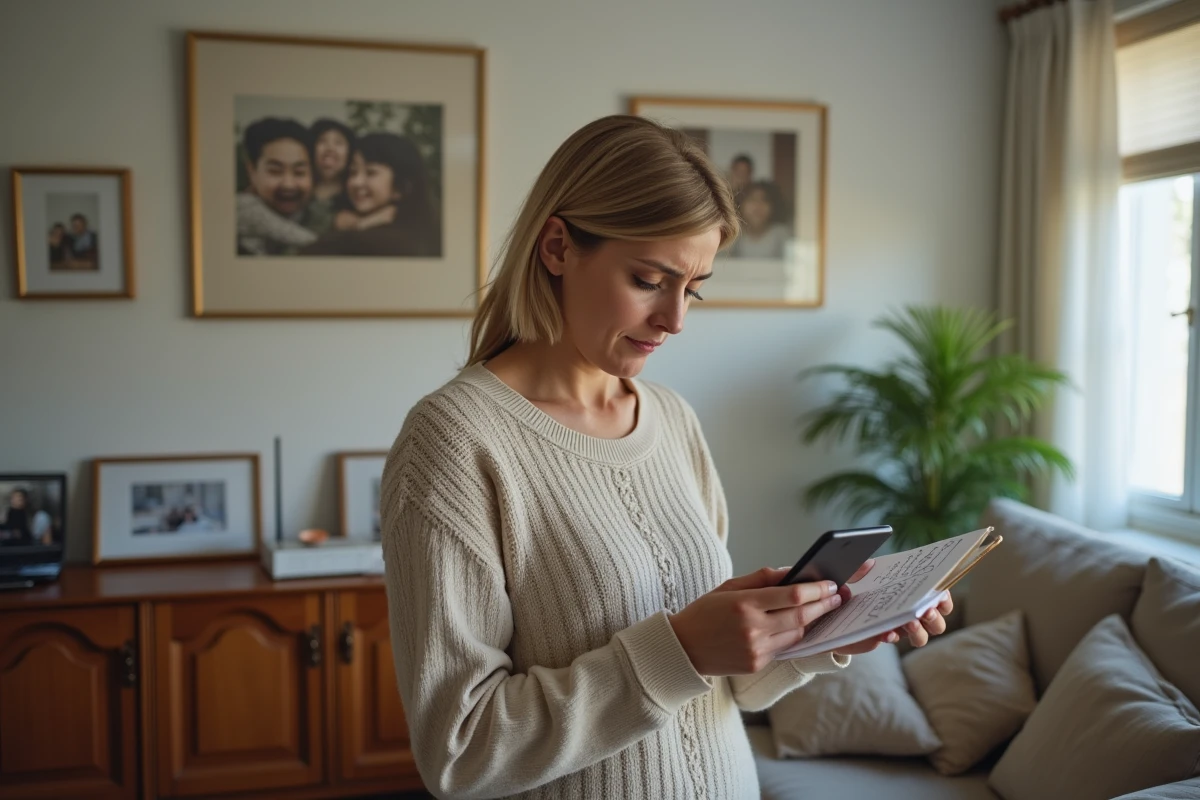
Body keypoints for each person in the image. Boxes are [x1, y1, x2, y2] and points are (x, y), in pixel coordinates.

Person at [379, 114, 954, 799]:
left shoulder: (672, 420)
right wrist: (678, 650)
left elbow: (729, 690)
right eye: (650, 279)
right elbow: (459, 751)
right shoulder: (454, 441)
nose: (676, 319)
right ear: (558, 247)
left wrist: (826, 632)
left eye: (695, 287)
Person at [301, 132, 440, 257]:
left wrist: (358, 228)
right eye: (353, 172)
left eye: (371, 172)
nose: (356, 182)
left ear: (401, 187)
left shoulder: (392, 243)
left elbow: (307, 254)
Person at [236, 117, 318, 255]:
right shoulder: (242, 208)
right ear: (252, 172)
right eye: (275, 171)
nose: (288, 184)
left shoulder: (325, 213)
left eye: (299, 172)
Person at [307, 117, 356, 236]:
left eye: (338, 142)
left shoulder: (356, 196)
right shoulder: (298, 190)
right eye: (322, 141)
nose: (329, 148)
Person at [728, 181, 791, 259]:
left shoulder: (781, 234)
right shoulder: (733, 234)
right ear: (740, 206)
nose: (758, 205)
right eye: (752, 199)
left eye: (764, 200)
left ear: (773, 207)